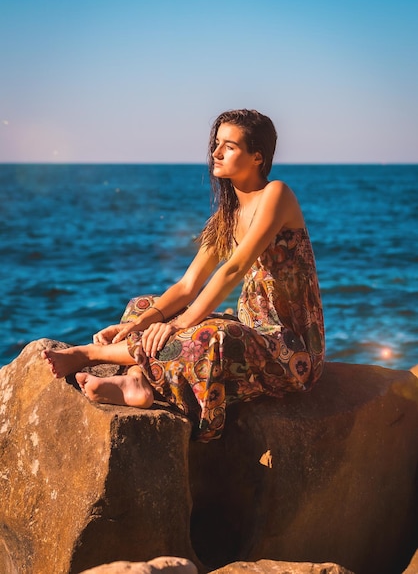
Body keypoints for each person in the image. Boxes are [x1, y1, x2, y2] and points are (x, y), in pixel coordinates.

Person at [42, 109, 325, 442]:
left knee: (207, 336)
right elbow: (188, 285)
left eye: (229, 146)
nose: (216, 152)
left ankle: (87, 354)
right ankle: (136, 379)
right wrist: (142, 323)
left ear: (257, 157)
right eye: (216, 144)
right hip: (252, 329)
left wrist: (177, 325)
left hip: (290, 348)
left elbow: (233, 269)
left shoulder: (276, 194)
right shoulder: (228, 215)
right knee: (143, 304)